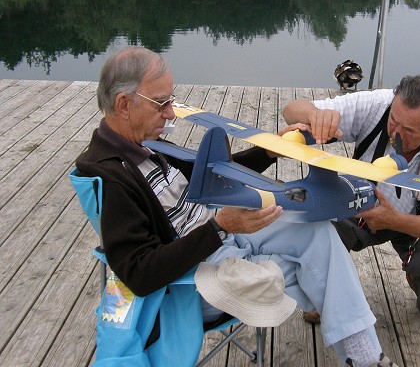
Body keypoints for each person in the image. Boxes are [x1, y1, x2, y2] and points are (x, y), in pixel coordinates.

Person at [75, 46, 398, 367]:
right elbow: (139, 274)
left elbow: (216, 172)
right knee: (318, 269)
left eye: (170, 102)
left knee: (318, 232)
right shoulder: (110, 173)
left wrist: (273, 151)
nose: (171, 113)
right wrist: (219, 228)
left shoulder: (142, 145)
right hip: (191, 283)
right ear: (123, 105)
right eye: (161, 103)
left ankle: (364, 357)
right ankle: (365, 358)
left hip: (217, 240)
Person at [283, 75, 420, 321]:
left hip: (417, 222)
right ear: (394, 102)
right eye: (394, 120)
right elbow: (290, 110)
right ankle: (323, 294)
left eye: (409, 130)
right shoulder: (378, 104)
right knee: (315, 226)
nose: (396, 133)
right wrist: (313, 115)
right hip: (359, 208)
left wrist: (393, 220)